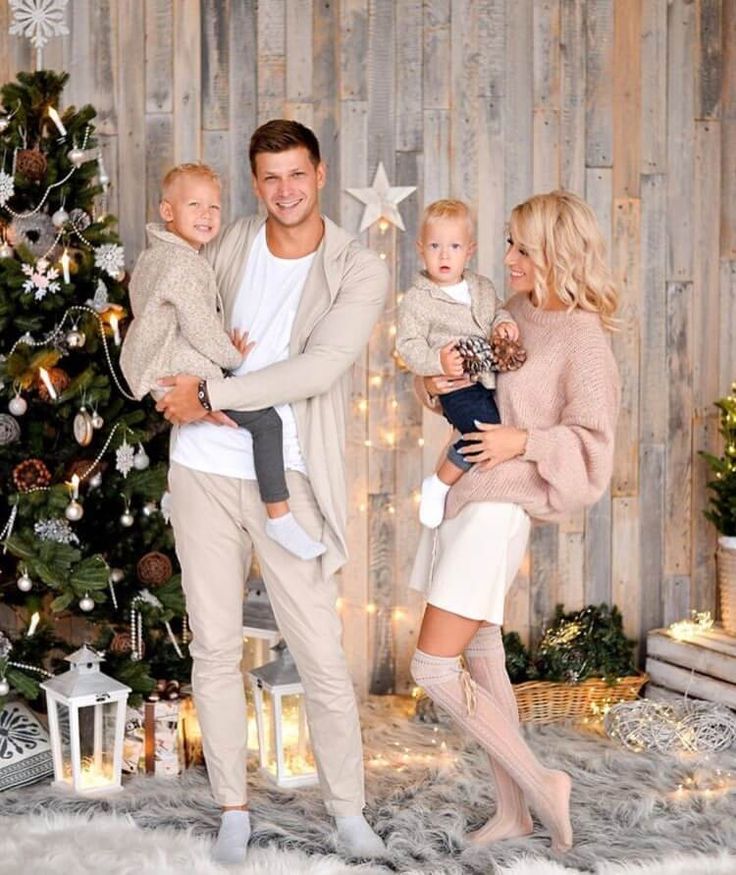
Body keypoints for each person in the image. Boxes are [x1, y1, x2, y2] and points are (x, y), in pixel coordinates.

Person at [154, 121, 390, 865]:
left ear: (320, 173)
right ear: (255, 183)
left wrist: (214, 387)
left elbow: (317, 368)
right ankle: (233, 806)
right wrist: (176, 388)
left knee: (320, 649)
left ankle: (347, 811)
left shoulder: (358, 267)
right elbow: (173, 306)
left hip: (286, 473)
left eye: (297, 174)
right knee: (216, 646)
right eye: (269, 178)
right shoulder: (230, 242)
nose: (284, 190)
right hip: (202, 468)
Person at [408, 190, 621, 853]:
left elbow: (592, 451)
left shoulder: (585, 342)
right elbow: (471, 381)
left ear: (555, 254)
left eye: (520, 248)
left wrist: (520, 442)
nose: (506, 258)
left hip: (495, 509)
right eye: (506, 243)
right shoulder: (514, 313)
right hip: (467, 493)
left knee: (431, 668)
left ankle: (540, 782)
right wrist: (429, 382)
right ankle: (513, 812)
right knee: (479, 652)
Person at [120, 162, 325, 561]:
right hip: (178, 371)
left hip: (161, 366)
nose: (207, 215)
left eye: (214, 207)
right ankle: (280, 516)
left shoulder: (155, 256)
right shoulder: (183, 264)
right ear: (168, 212)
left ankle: (212, 409)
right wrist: (231, 356)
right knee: (267, 422)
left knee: (234, 410)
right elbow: (197, 324)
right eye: (194, 205)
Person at [396, 199, 519, 529]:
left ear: (470, 250)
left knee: (491, 429)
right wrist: (437, 361)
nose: (444, 255)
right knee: (483, 430)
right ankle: (439, 483)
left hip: (487, 380)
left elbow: (497, 313)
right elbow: (407, 346)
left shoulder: (481, 287)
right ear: (421, 249)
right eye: (435, 246)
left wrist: (503, 325)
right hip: (456, 386)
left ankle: (461, 488)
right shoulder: (418, 300)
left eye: (454, 246)